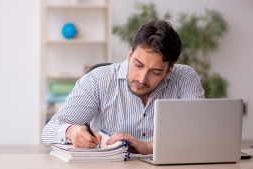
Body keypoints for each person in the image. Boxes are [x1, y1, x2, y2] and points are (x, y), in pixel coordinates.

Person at [41, 20, 205, 155]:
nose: (142, 78)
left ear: (169, 71)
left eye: (155, 72)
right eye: (138, 64)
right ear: (130, 54)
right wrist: (71, 131)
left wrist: (148, 147)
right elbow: (48, 131)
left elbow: (200, 134)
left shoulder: (185, 78)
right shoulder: (98, 80)